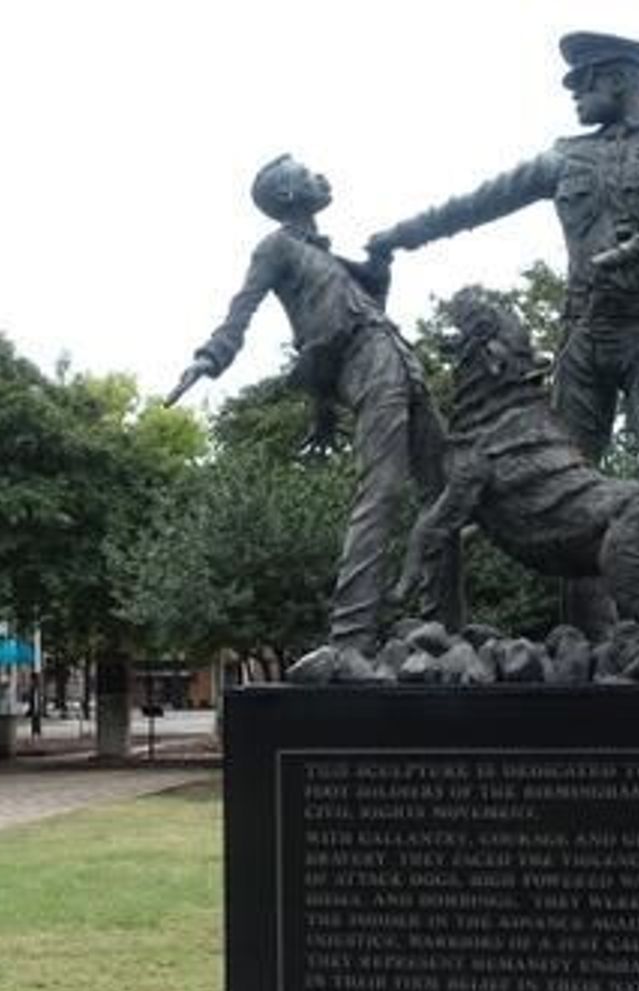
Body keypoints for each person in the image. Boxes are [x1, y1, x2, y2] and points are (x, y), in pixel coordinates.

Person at [367, 32, 639, 637]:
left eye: (586, 83)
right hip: (583, 332)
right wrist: (403, 234)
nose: (577, 96)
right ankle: (587, 637)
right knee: (566, 484)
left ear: (619, 80)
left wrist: (638, 249)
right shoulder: (566, 157)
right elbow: (483, 200)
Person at [166, 155, 453, 653]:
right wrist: (209, 357)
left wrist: (379, 267)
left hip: (399, 359)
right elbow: (242, 308)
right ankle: (351, 631)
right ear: (286, 196)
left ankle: (445, 621)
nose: (321, 176)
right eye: (306, 174)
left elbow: (369, 303)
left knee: (447, 490)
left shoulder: (329, 258)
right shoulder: (274, 248)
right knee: (382, 489)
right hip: (367, 363)